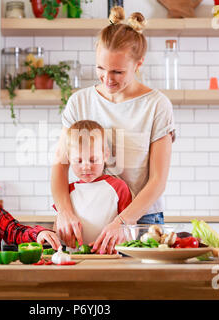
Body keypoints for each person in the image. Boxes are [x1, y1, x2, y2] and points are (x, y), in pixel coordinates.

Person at [51, 6, 175, 254]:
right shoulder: (79, 102)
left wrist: (122, 222)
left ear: (139, 64)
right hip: (86, 218)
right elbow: (60, 165)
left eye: (118, 71)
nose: (107, 79)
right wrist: (64, 212)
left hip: (141, 222)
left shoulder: (156, 105)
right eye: (100, 68)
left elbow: (158, 180)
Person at [52, 120, 132, 247]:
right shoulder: (67, 192)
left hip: (111, 256)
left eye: (93, 159)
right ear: (68, 158)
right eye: (78, 160)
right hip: (75, 259)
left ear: (105, 155)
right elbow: (59, 224)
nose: (86, 166)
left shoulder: (118, 187)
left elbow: (129, 226)